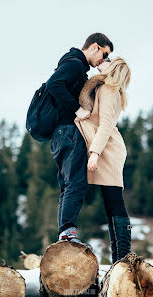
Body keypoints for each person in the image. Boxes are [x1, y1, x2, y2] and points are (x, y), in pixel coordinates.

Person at [46, 33, 114, 243]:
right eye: (105, 53)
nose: (104, 59)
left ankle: (64, 235)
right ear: (94, 47)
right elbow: (54, 84)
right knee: (76, 181)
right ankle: (68, 233)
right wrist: (76, 109)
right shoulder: (76, 64)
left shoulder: (73, 64)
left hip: (59, 133)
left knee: (68, 184)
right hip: (67, 130)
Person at [74, 57, 132, 263]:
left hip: (107, 149)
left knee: (114, 200)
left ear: (113, 68)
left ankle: (123, 258)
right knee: (111, 201)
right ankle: (121, 259)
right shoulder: (107, 88)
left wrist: (95, 153)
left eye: (109, 60)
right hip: (106, 146)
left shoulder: (108, 89)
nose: (103, 60)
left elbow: (106, 124)